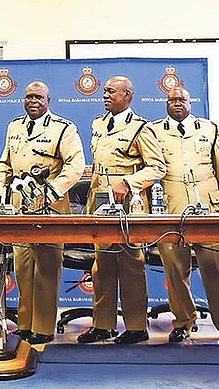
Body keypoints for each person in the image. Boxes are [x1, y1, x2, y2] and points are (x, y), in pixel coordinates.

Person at [0, 81, 85, 344]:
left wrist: (53, 190)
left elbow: (76, 166)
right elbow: (4, 163)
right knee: (23, 267)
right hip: (20, 205)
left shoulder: (63, 128)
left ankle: (43, 328)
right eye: (28, 96)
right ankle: (25, 324)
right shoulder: (14, 126)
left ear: (48, 100)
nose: (33, 100)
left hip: (50, 205)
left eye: (38, 97)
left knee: (46, 268)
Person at [77, 76, 165, 344]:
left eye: (111, 92)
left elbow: (157, 167)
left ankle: (136, 327)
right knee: (101, 266)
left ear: (127, 96)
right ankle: (102, 325)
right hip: (100, 201)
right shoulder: (98, 123)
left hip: (129, 204)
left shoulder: (141, 128)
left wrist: (128, 182)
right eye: (104, 91)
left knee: (130, 265)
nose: (104, 95)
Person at [151, 86, 219, 343]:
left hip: (208, 205)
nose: (176, 103)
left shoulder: (208, 128)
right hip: (171, 205)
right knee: (174, 267)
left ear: (190, 102)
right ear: (166, 103)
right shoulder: (154, 131)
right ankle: (183, 321)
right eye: (171, 99)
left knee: (215, 267)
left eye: (181, 99)